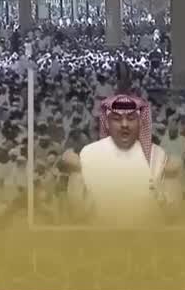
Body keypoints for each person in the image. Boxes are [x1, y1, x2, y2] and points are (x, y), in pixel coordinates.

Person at [62, 94, 176, 226]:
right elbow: (78, 213)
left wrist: (167, 184)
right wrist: (76, 173)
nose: (124, 125)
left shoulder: (156, 157)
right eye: (117, 119)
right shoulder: (89, 156)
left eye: (131, 118)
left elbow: (170, 213)